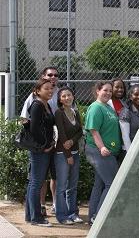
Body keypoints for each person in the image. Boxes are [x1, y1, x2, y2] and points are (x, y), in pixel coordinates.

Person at [21, 67, 59, 216]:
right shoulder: (37, 103)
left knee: (35, 183)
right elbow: (33, 127)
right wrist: (44, 146)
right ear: (38, 90)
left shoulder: (47, 103)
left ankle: (30, 215)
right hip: (40, 150)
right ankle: (36, 216)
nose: (53, 77)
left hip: (49, 147)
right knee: (36, 183)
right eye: (49, 75)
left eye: (55, 75)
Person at [84, 81, 121, 225]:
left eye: (110, 91)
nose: (108, 93)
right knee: (111, 184)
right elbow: (93, 130)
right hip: (99, 151)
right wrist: (101, 148)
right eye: (105, 90)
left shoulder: (107, 107)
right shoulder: (95, 107)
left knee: (99, 185)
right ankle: (100, 218)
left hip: (108, 151)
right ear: (98, 91)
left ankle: (93, 216)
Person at [54, 87, 83, 225]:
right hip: (63, 154)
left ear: (73, 96)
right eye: (64, 96)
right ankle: (62, 215)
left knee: (73, 185)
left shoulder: (75, 112)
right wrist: (68, 155)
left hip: (75, 151)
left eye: (69, 95)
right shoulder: (58, 113)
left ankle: (72, 213)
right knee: (61, 187)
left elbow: (80, 131)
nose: (67, 98)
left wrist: (72, 141)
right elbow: (61, 135)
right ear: (60, 99)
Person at [119, 84, 139, 158]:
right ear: (131, 97)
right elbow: (125, 136)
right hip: (130, 151)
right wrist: (131, 154)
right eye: (136, 94)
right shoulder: (126, 112)